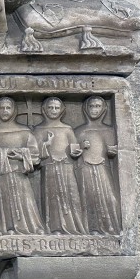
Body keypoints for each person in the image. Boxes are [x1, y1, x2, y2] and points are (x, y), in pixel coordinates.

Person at [0, 96, 43, 235]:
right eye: (2, 108)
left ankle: (31, 228)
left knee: (25, 201)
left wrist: (21, 155)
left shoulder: (24, 131)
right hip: (0, 176)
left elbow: (35, 155)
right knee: (4, 202)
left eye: (8, 107)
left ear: (14, 110)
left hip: (20, 176)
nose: (5, 111)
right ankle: (8, 228)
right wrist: (3, 154)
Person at [33, 97, 87, 234]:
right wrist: (45, 145)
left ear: (62, 110)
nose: (53, 110)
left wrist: (78, 151)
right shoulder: (38, 129)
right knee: (52, 197)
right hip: (49, 167)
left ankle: (73, 227)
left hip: (66, 166)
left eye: (57, 108)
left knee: (71, 195)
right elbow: (34, 154)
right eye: (50, 107)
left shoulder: (67, 129)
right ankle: (54, 228)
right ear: (44, 109)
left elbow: (74, 149)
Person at [75, 96, 121, 234]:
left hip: (102, 167)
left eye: (98, 106)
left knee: (109, 197)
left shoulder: (109, 130)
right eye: (91, 106)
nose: (94, 110)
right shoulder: (79, 131)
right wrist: (80, 147)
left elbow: (114, 152)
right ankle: (92, 228)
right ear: (85, 108)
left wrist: (112, 151)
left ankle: (111, 227)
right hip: (85, 168)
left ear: (104, 109)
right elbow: (73, 152)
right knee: (89, 196)